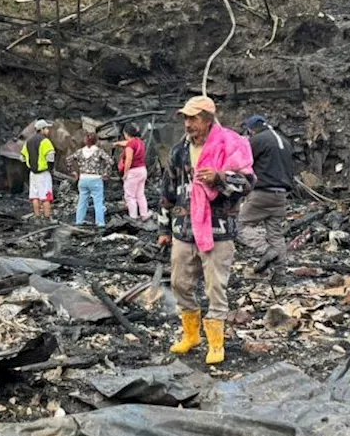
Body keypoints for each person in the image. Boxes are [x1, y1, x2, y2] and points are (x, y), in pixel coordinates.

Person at [158, 96, 254, 365]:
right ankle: (191, 335)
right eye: (185, 118)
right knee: (179, 283)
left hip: (218, 230)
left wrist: (220, 178)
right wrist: (164, 227)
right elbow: (168, 191)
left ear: (208, 119)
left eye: (193, 118)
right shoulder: (179, 151)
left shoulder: (229, 146)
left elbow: (248, 183)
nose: (188, 124)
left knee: (215, 288)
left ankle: (215, 343)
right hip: (183, 229)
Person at [237, 115, 295, 262]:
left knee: (238, 226)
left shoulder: (258, 140)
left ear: (252, 130)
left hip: (262, 193)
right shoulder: (285, 141)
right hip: (281, 195)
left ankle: (267, 250)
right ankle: (281, 271)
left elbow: (243, 162)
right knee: (276, 234)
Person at [70, 132, 111, 228]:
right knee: (98, 202)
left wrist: (73, 172)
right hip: (95, 179)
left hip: (83, 178)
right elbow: (110, 161)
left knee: (82, 201)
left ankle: (79, 221)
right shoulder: (99, 152)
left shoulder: (80, 152)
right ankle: (100, 223)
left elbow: (69, 160)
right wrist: (106, 172)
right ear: (96, 141)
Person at [21, 119, 56, 222]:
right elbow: (50, 157)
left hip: (33, 173)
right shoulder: (45, 141)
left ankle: (37, 217)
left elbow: (22, 157)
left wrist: (29, 164)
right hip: (43, 173)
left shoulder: (28, 141)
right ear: (42, 129)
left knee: (35, 196)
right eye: (47, 128)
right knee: (46, 196)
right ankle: (47, 217)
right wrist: (51, 169)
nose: (48, 130)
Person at [114, 123, 150, 220]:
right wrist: (118, 143)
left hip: (133, 172)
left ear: (126, 133)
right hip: (142, 170)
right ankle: (144, 214)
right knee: (140, 195)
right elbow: (127, 143)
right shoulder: (139, 142)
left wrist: (125, 173)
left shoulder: (130, 145)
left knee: (130, 196)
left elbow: (129, 159)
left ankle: (133, 217)